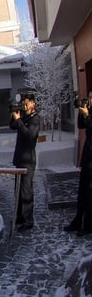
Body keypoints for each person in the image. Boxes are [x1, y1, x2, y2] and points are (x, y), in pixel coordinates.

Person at [9, 89, 41, 232]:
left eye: (27, 103)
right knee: (18, 190)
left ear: (33, 104)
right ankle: (20, 217)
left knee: (26, 191)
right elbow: (12, 126)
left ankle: (28, 220)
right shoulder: (23, 117)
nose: (24, 106)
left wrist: (19, 120)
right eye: (23, 103)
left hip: (28, 160)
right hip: (19, 159)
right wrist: (15, 115)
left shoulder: (35, 119)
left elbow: (30, 136)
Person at [65, 90, 92, 234]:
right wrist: (82, 113)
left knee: (90, 194)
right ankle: (77, 221)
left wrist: (87, 115)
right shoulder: (89, 112)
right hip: (87, 157)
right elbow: (81, 126)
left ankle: (87, 225)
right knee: (82, 192)